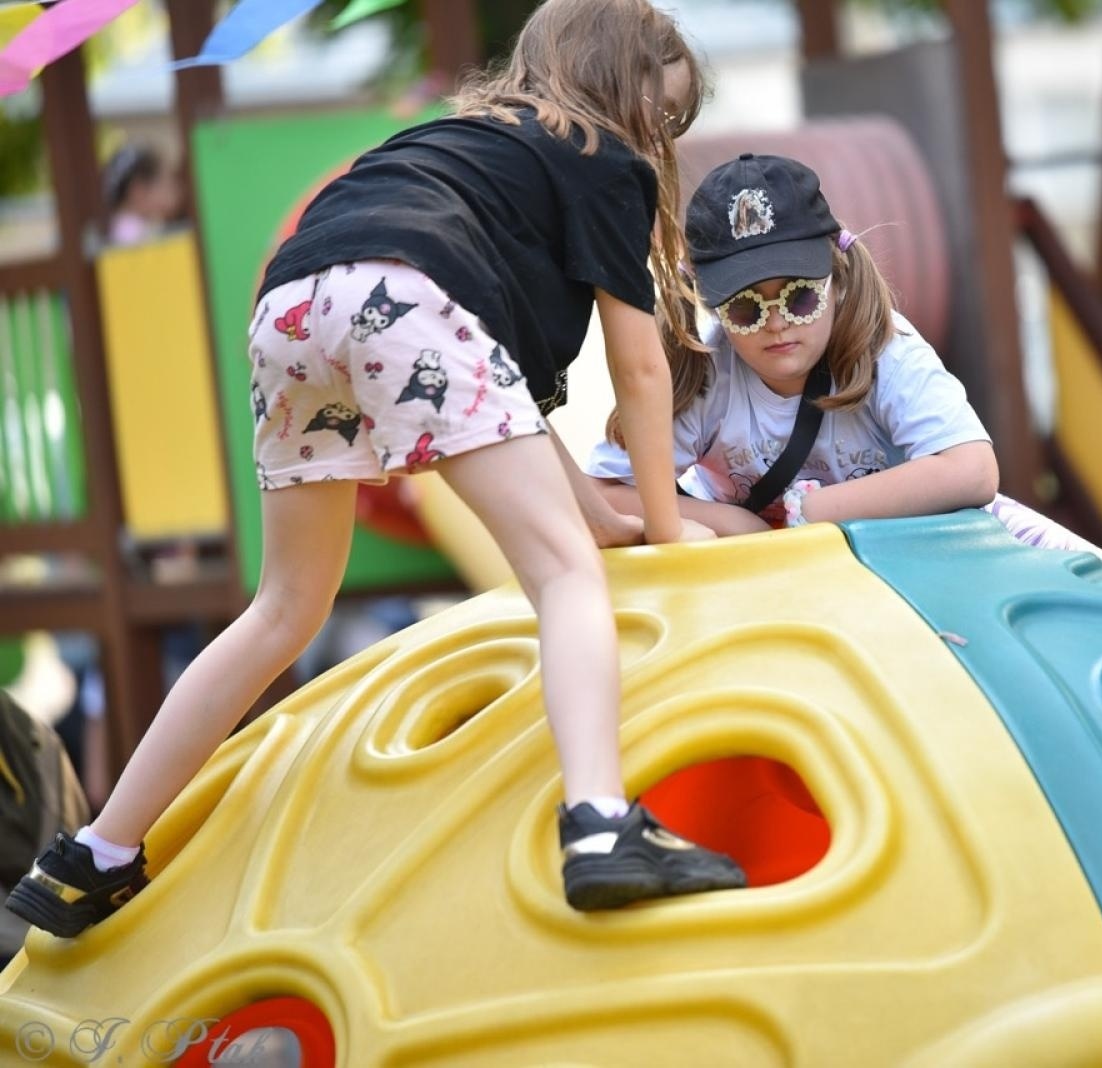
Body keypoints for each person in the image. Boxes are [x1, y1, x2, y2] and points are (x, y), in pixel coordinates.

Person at [7, 0, 746, 938]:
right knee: (565, 579)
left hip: (294, 304)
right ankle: (600, 824)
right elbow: (642, 372)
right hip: (404, 294)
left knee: (285, 607)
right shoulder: (604, 159)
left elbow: (494, 392)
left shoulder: (463, 147)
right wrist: (669, 528)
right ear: (621, 85)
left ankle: (93, 855)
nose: (663, 135)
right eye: (664, 112)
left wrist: (601, 518)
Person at [586, 153, 1102, 562]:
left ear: (836, 280)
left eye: (798, 297)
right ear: (712, 303)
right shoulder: (704, 367)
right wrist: (729, 523)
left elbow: (973, 470)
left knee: (1100, 583)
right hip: (773, 563)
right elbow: (604, 492)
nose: (775, 322)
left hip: (921, 546)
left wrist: (803, 514)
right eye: (745, 307)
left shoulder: (883, 345)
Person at [103, 144, 185, 246]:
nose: (177, 189)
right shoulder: (132, 237)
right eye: (167, 184)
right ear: (139, 191)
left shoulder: (137, 228)